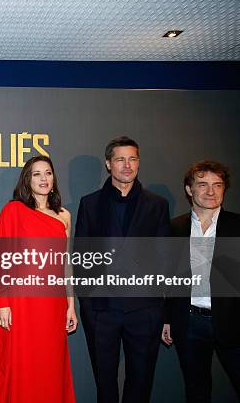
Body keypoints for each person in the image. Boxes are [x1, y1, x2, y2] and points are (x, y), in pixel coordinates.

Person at [75, 136, 169, 403]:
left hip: (145, 311)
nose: (127, 165)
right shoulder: (90, 204)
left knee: (140, 385)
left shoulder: (157, 205)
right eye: (120, 159)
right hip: (102, 312)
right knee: (104, 386)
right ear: (108, 164)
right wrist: (89, 306)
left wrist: (159, 307)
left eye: (132, 159)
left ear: (138, 163)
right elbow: (82, 258)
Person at [0, 155, 76, 403]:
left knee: (50, 364)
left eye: (48, 173)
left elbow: (65, 264)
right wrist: (3, 302)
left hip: (52, 303)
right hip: (22, 302)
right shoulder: (13, 210)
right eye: (36, 174)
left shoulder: (64, 216)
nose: (43, 179)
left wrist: (71, 305)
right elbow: (3, 258)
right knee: (23, 364)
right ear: (27, 179)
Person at [162, 160, 240, 402]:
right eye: (203, 184)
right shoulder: (175, 227)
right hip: (189, 322)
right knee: (196, 391)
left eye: (217, 185)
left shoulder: (237, 226)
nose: (210, 191)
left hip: (233, 322)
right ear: (189, 189)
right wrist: (167, 319)